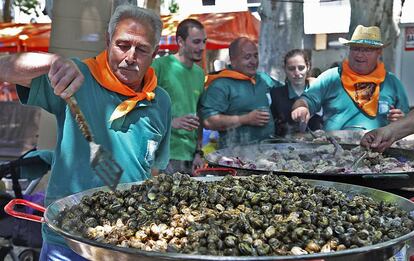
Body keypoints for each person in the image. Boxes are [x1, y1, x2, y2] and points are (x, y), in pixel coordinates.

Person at [0, 5, 171, 260]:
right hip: (68, 240)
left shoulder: (161, 101)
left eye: (142, 49)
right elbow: (4, 68)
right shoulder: (76, 76)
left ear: (155, 53)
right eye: (123, 45)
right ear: (107, 41)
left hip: (128, 242)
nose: (131, 57)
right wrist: (53, 62)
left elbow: (155, 169)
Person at [291, 25, 409, 131]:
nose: (359, 55)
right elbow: (306, 100)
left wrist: (401, 120)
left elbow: (407, 120)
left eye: (366, 50)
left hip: (380, 149)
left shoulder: (392, 82)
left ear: (379, 52)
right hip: (335, 149)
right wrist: (301, 107)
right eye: (355, 48)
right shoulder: (332, 77)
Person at [200, 37, 281, 148]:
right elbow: (208, 121)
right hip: (236, 155)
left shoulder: (262, 78)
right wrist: (245, 119)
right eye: (247, 57)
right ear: (233, 60)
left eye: (255, 56)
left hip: (268, 152)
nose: (253, 61)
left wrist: (307, 82)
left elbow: (285, 92)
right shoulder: (220, 85)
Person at [151, 19, 206, 175]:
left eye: (204, 41)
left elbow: (198, 113)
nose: (202, 47)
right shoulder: (159, 66)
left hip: (190, 158)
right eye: (196, 42)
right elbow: (142, 105)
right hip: (162, 156)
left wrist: (198, 152)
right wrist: (172, 122)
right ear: (180, 41)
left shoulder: (200, 73)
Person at [270, 49, 323, 136]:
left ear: (308, 67)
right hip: (285, 146)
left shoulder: (319, 91)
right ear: (285, 69)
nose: (297, 73)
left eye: (301, 68)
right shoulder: (276, 95)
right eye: (291, 69)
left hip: (318, 145)